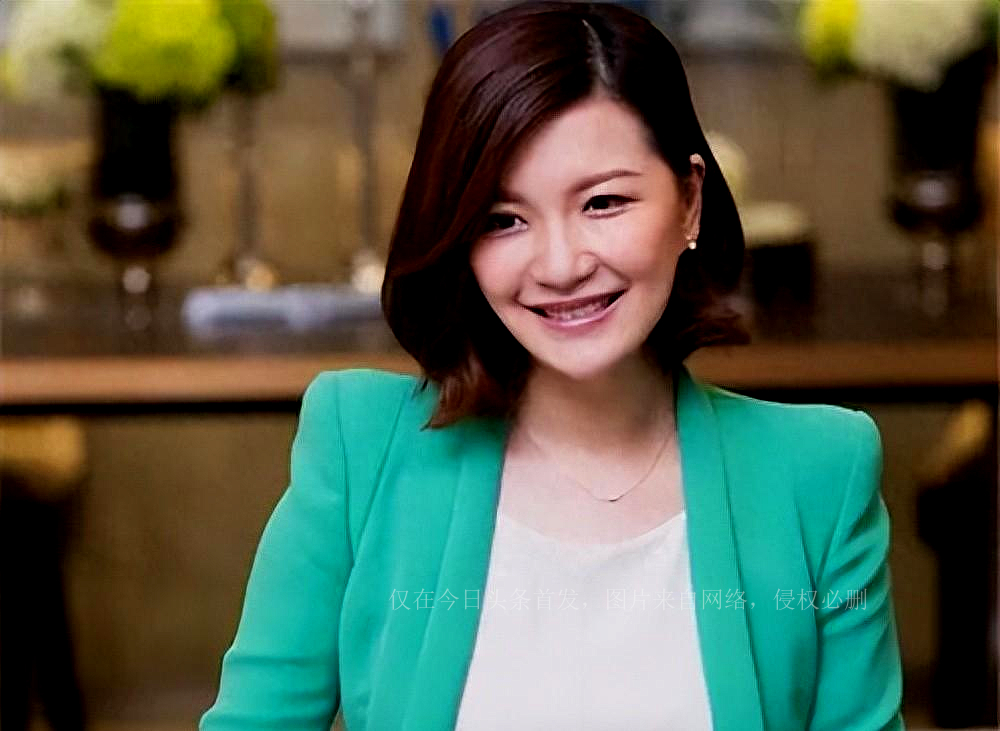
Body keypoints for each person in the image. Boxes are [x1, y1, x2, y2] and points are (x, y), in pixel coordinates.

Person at [200, 2, 905, 729]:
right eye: (504, 219)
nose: (562, 265)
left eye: (603, 202)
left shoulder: (819, 474)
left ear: (690, 200)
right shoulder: (362, 451)